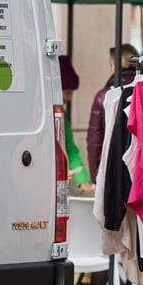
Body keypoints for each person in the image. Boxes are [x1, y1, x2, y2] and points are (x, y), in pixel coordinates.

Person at [86, 43, 140, 184]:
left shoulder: (103, 96)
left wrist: (96, 177)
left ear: (114, 66)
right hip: (142, 168)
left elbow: (94, 142)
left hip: (112, 169)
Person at [58, 55, 93, 194]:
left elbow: (70, 148)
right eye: (67, 92)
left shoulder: (62, 114)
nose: (70, 97)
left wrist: (82, 180)